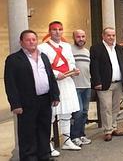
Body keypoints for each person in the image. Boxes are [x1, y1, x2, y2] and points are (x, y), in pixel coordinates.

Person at [5, 30, 60, 161]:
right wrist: (15, 104)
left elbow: (50, 77)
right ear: (21, 42)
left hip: (45, 99)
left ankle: (44, 156)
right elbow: (10, 83)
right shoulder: (13, 59)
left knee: (44, 130)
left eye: (34, 39)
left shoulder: (44, 57)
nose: (31, 42)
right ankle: (29, 158)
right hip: (26, 103)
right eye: (28, 40)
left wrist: (55, 95)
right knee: (27, 133)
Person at [38, 21, 81, 153]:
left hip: (67, 81)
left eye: (60, 29)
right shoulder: (42, 47)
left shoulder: (67, 46)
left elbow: (70, 61)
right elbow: (43, 66)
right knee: (50, 115)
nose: (57, 32)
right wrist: (56, 74)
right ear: (49, 31)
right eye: (54, 29)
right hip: (52, 83)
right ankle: (48, 144)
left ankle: (67, 140)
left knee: (66, 113)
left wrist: (74, 70)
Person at [90, 27, 123, 142]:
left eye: (113, 35)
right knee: (106, 107)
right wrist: (97, 82)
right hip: (104, 84)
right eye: (109, 35)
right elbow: (94, 67)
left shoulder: (119, 48)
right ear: (103, 36)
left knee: (115, 108)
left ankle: (113, 128)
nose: (111, 37)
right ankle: (107, 130)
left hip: (118, 83)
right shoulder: (96, 48)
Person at [70, 29, 92, 147]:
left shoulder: (87, 51)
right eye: (78, 37)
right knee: (77, 113)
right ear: (74, 37)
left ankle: (82, 134)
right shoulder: (69, 50)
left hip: (86, 85)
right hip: (75, 86)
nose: (81, 39)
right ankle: (74, 136)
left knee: (84, 112)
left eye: (83, 36)